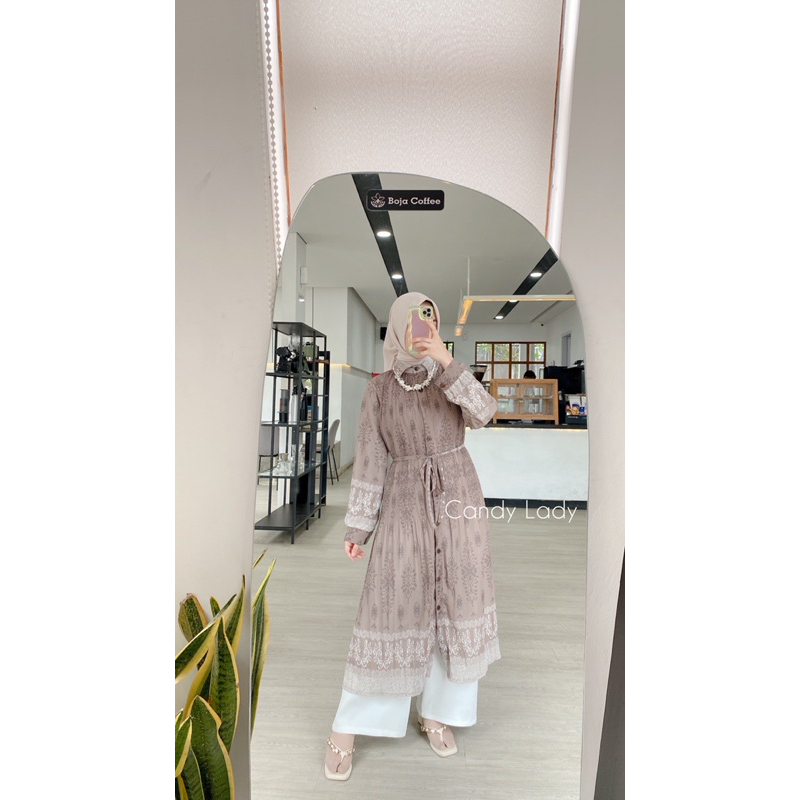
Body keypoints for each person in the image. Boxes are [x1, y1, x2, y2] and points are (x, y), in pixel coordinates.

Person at [323, 291, 501, 780]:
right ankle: (347, 727)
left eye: (431, 316)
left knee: (455, 605)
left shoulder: (452, 376)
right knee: (390, 605)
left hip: (459, 500)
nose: (423, 323)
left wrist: (445, 359)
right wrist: (360, 526)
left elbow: (485, 413)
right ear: (398, 326)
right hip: (403, 500)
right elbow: (370, 458)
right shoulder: (380, 389)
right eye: (416, 317)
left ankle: (438, 714)